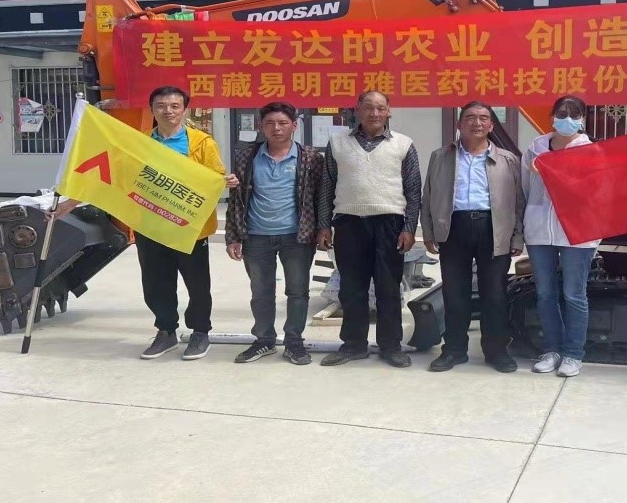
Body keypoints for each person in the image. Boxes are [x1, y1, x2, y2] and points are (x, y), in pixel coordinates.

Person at [53, 86, 238, 360]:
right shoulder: (138, 144)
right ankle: (166, 331)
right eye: (161, 106)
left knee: (197, 284)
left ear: (185, 110)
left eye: (175, 106)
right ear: (152, 110)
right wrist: (70, 202)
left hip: (188, 228)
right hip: (149, 225)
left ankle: (200, 332)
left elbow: (214, 176)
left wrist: (225, 181)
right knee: (155, 283)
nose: (168, 111)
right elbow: (110, 176)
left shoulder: (201, 143)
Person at [317, 91, 421, 368]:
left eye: (380, 108)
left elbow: (413, 190)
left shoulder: (403, 144)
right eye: (368, 107)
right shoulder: (338, 142)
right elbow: (327, 186)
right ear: (357, 110)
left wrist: (409, 227)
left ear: (388, 111)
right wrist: (324, 224)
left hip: (390, 224)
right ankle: (353, 345)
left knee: (389, 288)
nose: (374, 113)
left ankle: (391, 346)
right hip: (348, 222)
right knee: (352, 288)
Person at [421, 101, 525, 373]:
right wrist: (429, 232)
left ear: (491, 125)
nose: (476, 123)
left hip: (494, 229)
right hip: (453, 228)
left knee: (495, 295)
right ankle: (454, 350)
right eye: (469, 117)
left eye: (483, 118)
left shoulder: (508, 159)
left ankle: (496, 351)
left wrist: (517, 237)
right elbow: (428, 196)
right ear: (459, 123)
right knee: (455, 294)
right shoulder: (441, 156)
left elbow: (518, 202)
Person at [225, 102, 324, 366]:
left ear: (294, 126)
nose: (276, 128)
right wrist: (233, 236)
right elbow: (237, 198)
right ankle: (264, 340)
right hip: (256, 236)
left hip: (297, 236)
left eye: (282, 123)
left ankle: (294, 343)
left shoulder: (310, 157)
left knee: (298, 292)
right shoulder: (246, 156)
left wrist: (323, 229)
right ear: (260, 126)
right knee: (261, 292)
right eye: (269, 123)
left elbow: (321, 197)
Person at [521, 95, 601, 378]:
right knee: (545, 294)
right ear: (552, 116)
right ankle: (552, 350)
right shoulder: (536, 147)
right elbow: (525, 187)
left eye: (574, 114)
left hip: (577, 232)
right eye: (562, 113)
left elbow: (597, 192)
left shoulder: (590, 151)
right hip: (539, 230)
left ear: (582, 120)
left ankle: (573, 354)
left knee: (574, 294)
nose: (567, 119)